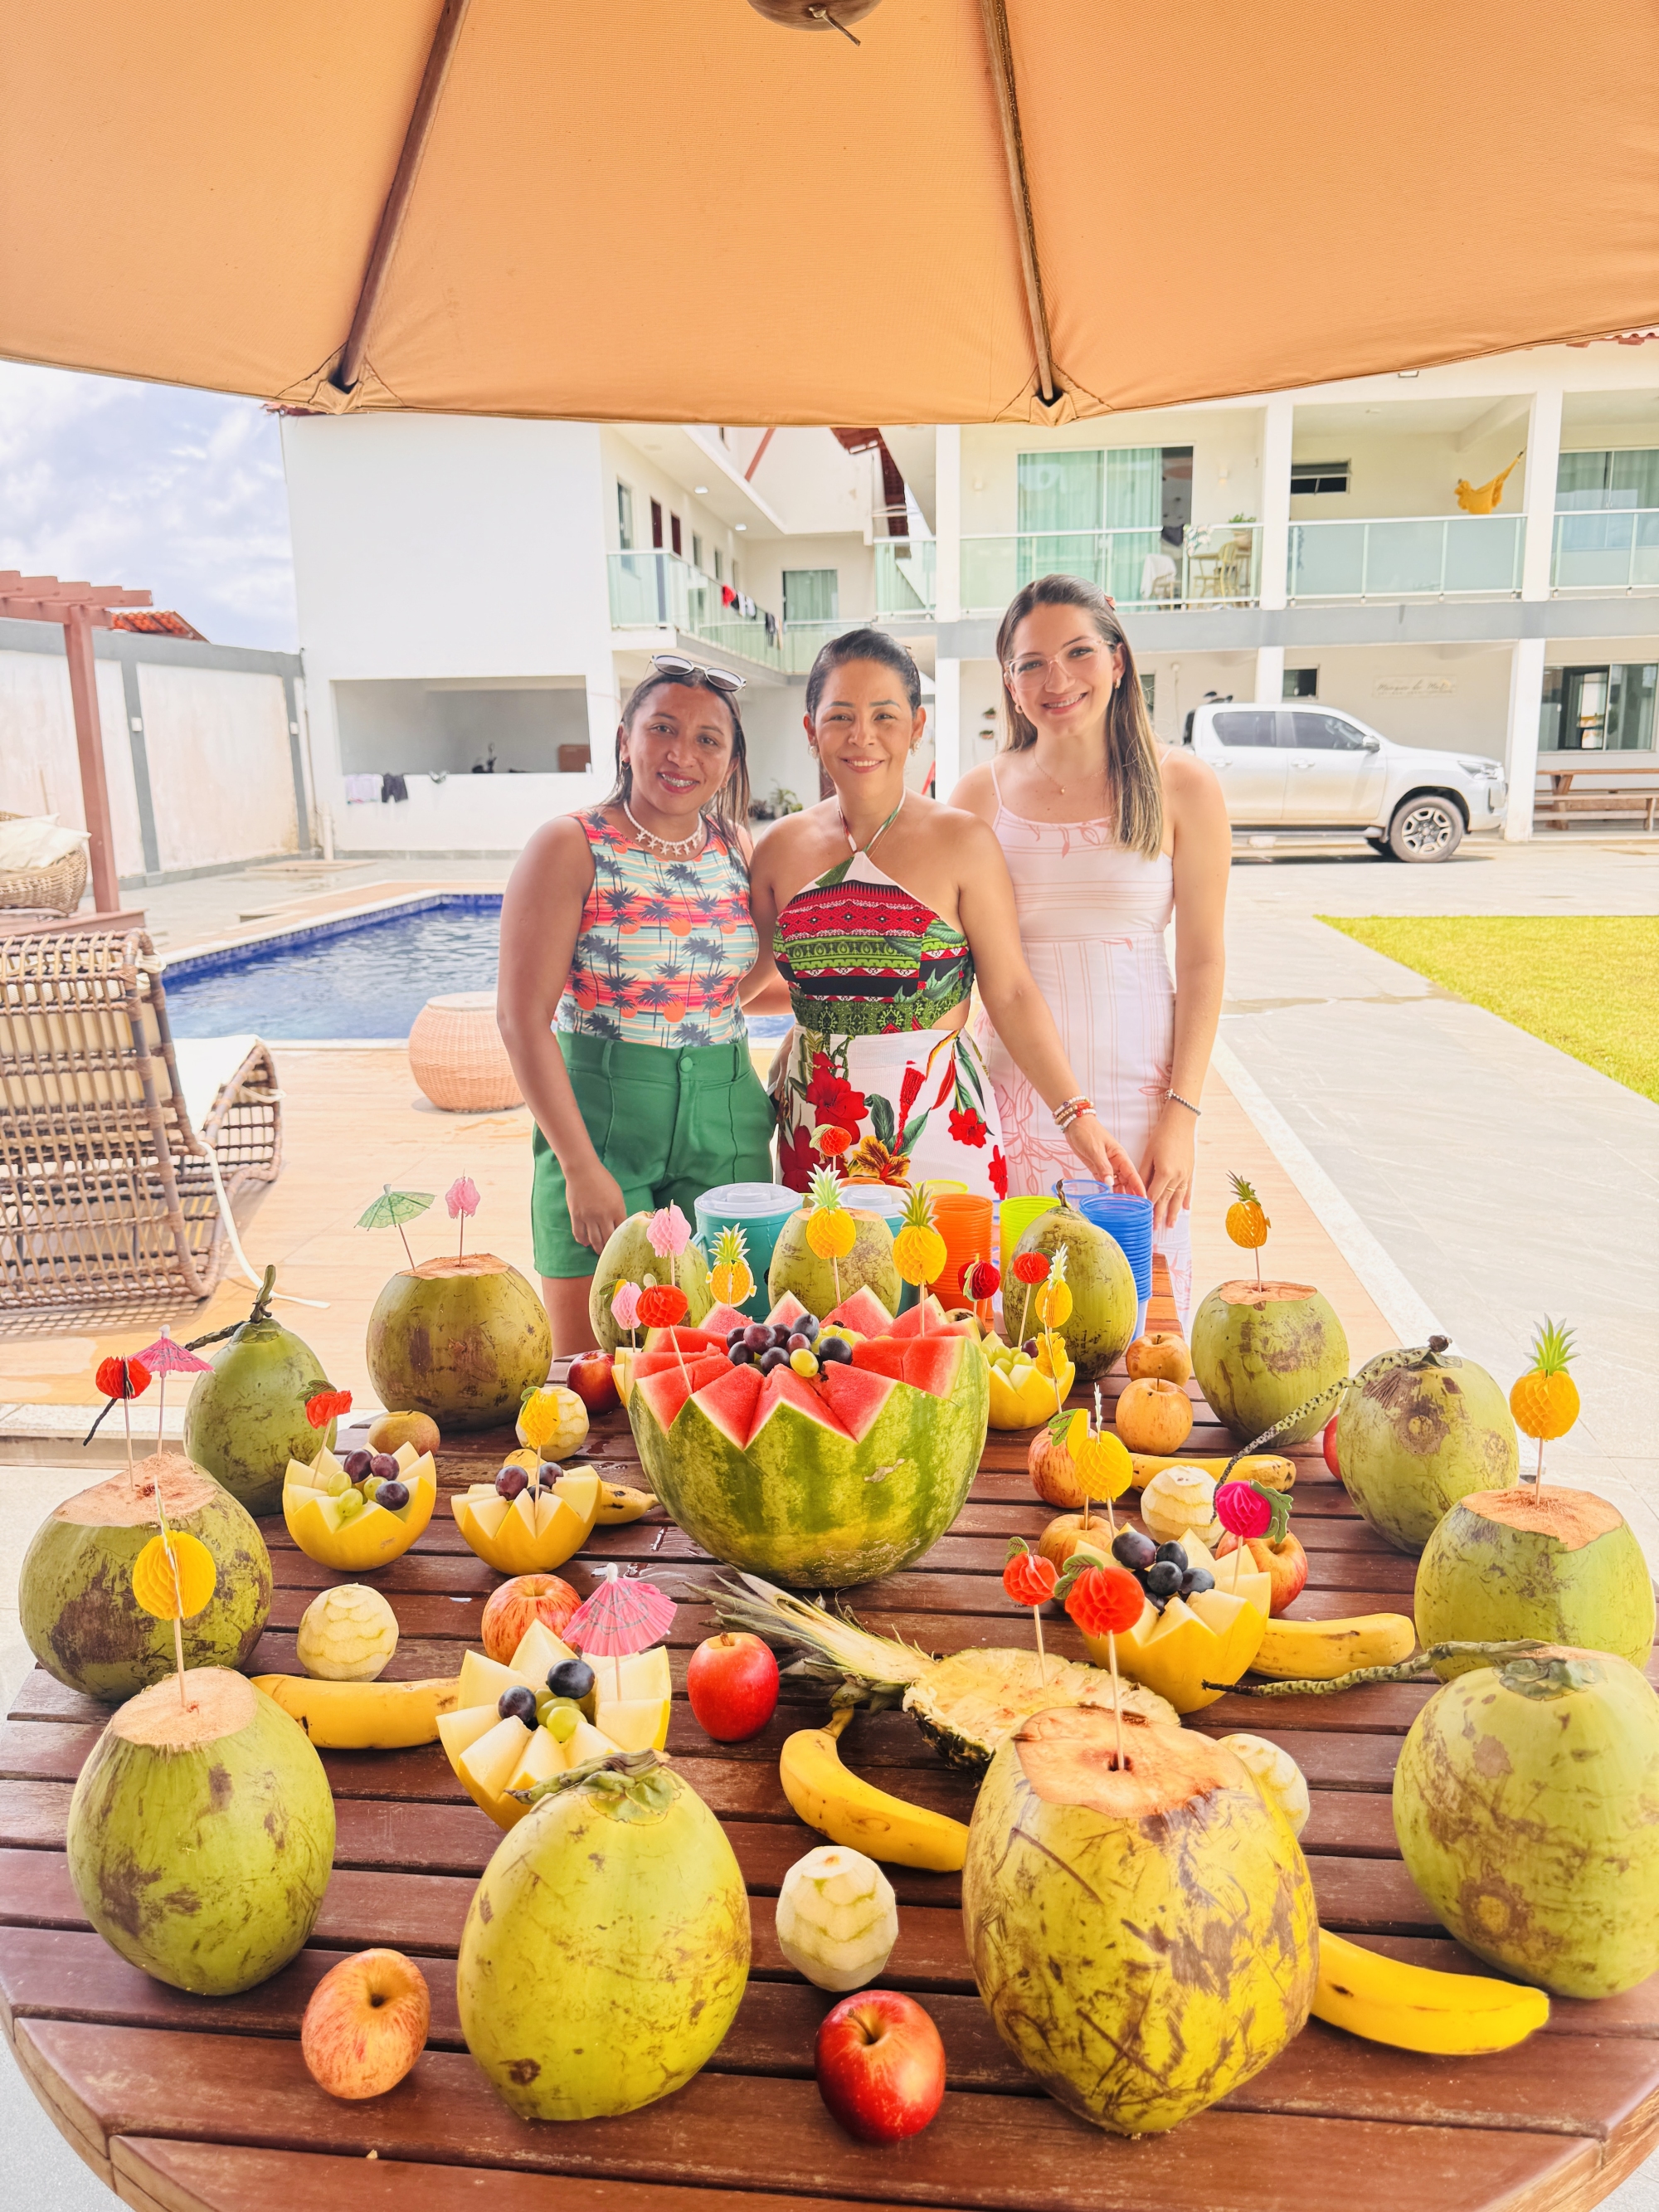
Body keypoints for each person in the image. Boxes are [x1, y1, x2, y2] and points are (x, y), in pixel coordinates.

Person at [749, 628, 1145, 1201]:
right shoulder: (778, 850)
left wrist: (1074, 1113)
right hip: (815, 1136)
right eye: (840, 717)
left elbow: (1009, 991)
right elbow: (746, 982)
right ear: (811, 729)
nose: (862, 736)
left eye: (884, 716)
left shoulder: (963, 841)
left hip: (941, 1128)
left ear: (917, 726)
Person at [951, 574, 1229, 1322]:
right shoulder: (978, 797)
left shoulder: (1182, 785)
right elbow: (953, 963)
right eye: (1031, 663)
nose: (1057, 680)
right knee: (1019, 1320)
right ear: (1010, 683)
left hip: (1144, 1100)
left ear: (1117, 660)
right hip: (1017, 1096)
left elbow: (1203, 961)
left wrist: (1182, 1117)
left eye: (1078, 652)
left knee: (1137, 1320)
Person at [497, 655, 784, 1352]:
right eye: (663, 728)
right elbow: (521, 1018)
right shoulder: (570, 844)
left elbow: (748, 972)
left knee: (727, 1354)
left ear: (729, 762)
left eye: (708, 739)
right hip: (601, 1128)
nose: (682, 753)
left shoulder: (737, 847)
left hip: (725, 1120)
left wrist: (705, 1009)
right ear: (625, 739)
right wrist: (578, 1166)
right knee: (598, 1365)